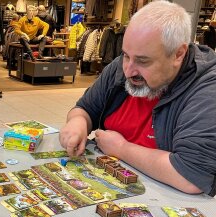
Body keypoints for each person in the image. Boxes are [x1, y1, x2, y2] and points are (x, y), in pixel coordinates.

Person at [59, 1, 216, 196]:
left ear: (178, 54)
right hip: (103, 186)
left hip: (164, 201)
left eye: (143, 61)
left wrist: (122, 149)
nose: (128, 70)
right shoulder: (121, 66)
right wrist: (77, 123)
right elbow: (84, 109)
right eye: (125, 55)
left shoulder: (207, 88)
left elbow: (191, 176)